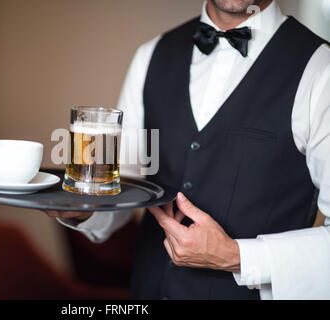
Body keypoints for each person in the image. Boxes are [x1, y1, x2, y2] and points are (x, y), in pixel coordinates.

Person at [45, 0, 330, 299]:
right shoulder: (150, 55)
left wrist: (237, 256)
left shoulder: (321, 70)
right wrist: (81, 211)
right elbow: (124, 187)